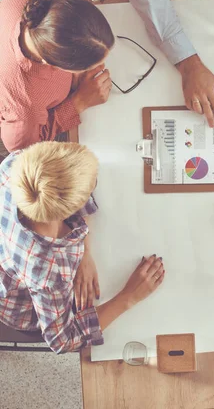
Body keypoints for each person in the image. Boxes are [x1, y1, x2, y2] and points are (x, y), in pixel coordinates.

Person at [0, 141, 164, 353]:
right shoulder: (49, 270)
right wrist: (128, 297)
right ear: (65, 213)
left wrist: (84, 250)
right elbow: (63, 340)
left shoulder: (16, 163)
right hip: (23, 307)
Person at [0, 0, 115, 153]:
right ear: (55, 66)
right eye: (85, 67)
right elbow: (22, 149)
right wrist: (79, 102)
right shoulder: (25, 105)